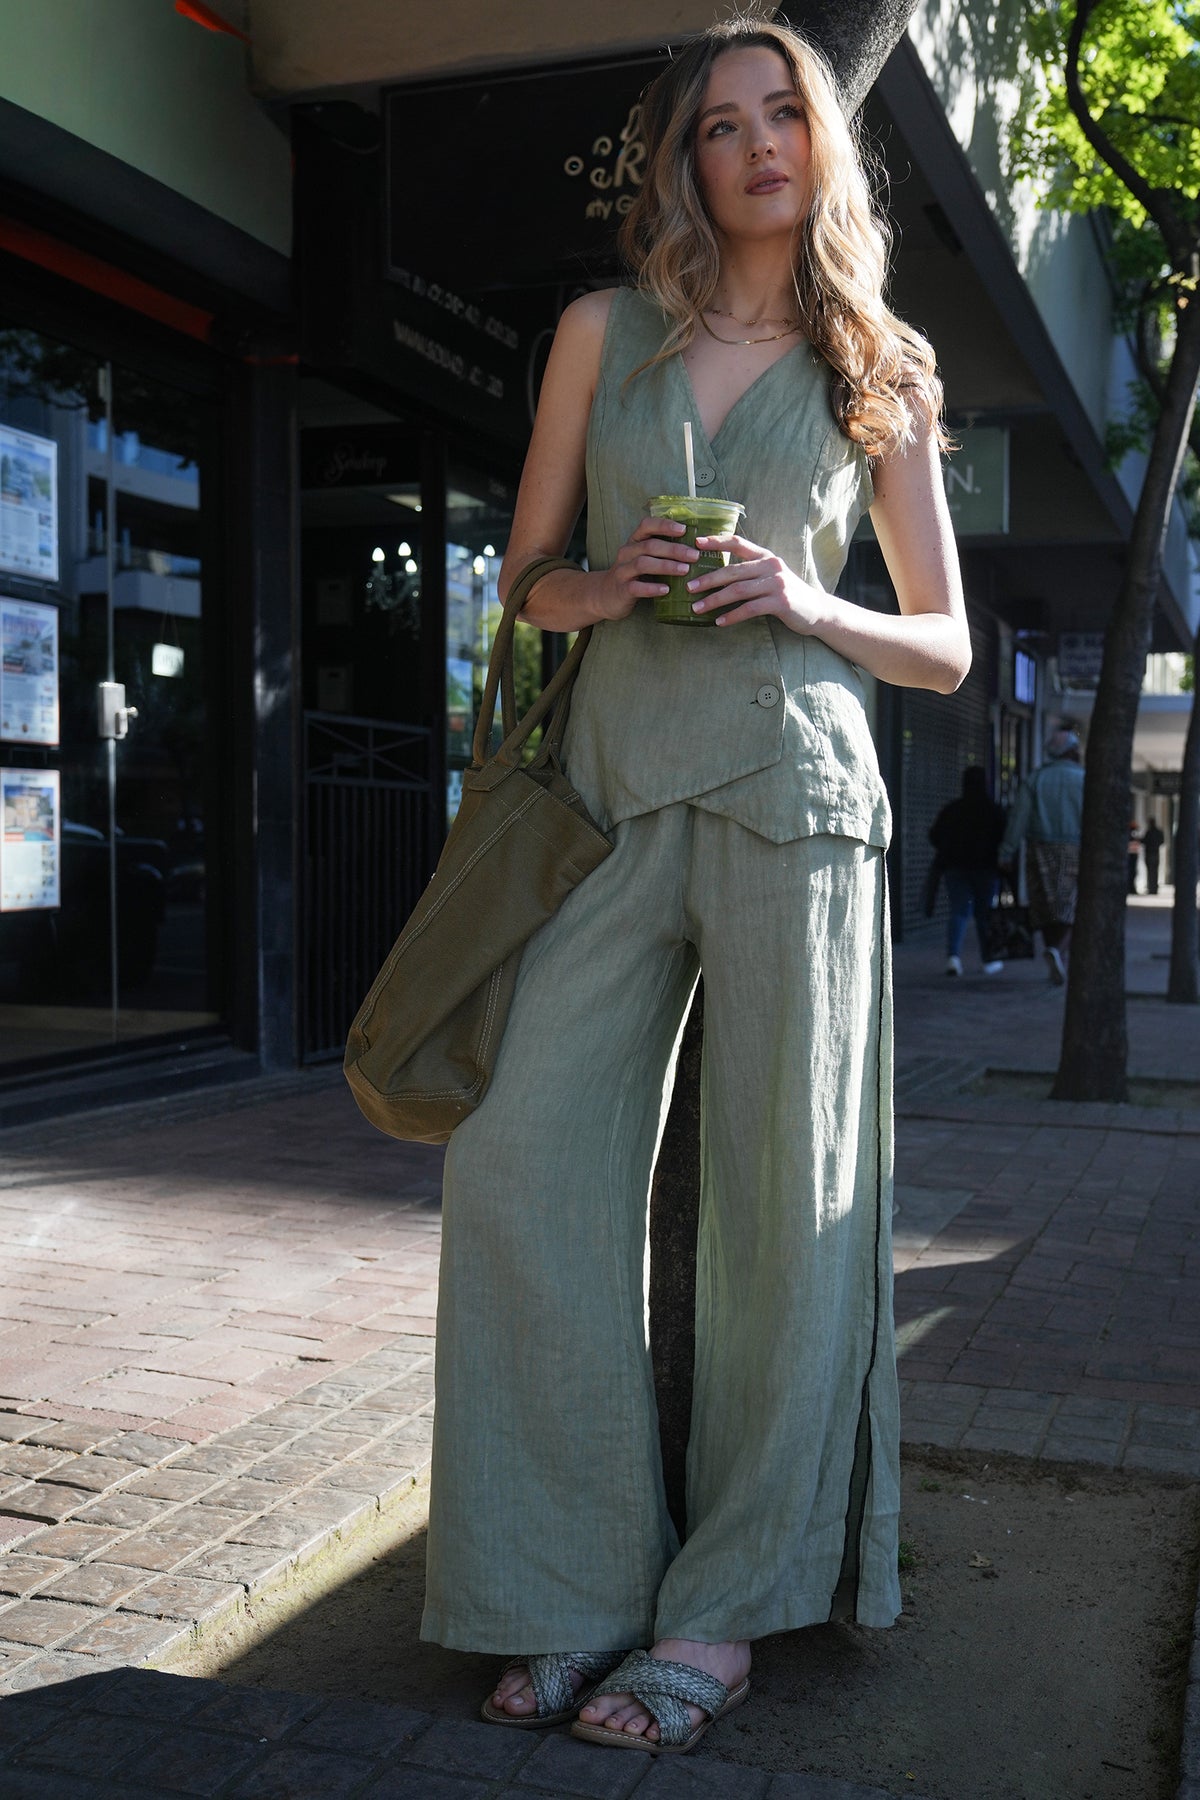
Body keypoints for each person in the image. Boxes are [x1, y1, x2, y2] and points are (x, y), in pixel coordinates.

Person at [422, 16, 970, 1758]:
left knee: (785, 1221)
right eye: (719, 124)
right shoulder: (604, 332)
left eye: (779, 117)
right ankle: (567, 1578)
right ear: (686, 160)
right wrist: (610, 571)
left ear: (822, 147)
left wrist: (808, 602)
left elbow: (948, 646)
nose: (751, 147)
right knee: (519, 1159)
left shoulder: (878, 359)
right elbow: (523, 582)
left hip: (802, 802)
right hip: (606, 797)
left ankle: (724, 1613)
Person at [998, 726, 1085, 985]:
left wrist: (1007, 851)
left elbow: (1019, 818)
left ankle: (1054, 955)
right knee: (1071, 905)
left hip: (1039, 848)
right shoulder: (1085, 779)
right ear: (1072, 751)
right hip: (1075, 848)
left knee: (1044, 906)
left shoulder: (1036, 779)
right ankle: (1058, 952)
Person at [928, 766, 1006, 977]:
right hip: (986, 869)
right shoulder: (993, 810)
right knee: (984, 914)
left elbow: (934, 835)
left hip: (955, 868)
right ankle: (988, 959)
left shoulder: (952, 809)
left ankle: (953, 957)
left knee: (959, 911)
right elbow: (1003, 838)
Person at [1141, 819, 1164, 895]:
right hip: (1155, 853)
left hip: (1150, 853)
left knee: (1151, 871)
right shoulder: (1156, 832)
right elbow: (1162, 841)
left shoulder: (1149, 832)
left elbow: (1144, 841)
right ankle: (1153, 888)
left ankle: (1152, 888)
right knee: (1154, 871)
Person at [1127, 821, 1141, 896]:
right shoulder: (1132, 834)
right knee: (1132, 872)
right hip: (1132, 855)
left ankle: (1131, 888)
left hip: (1133, 855)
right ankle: (1131, 888)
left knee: (1132, 872)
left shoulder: (1132, 834)